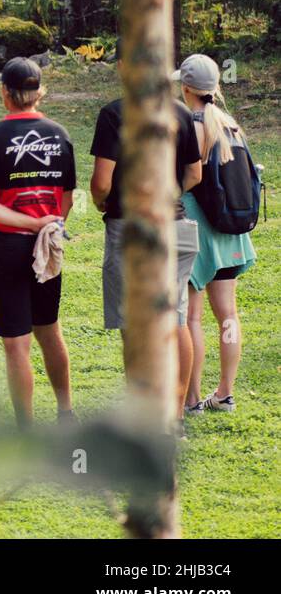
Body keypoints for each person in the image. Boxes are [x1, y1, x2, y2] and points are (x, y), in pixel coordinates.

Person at [89, 71, 201, 431]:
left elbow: (102, 182)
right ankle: (176, 416)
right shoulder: (182, 113)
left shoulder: (114, 113)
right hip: (178, 227)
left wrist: (103, 202)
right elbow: (195, 173)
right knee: (177, 319)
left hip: (131, 227)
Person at [0, 58, 76, 428]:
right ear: (39, 92)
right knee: (50, 330)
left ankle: (26, 429)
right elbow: (66, 199)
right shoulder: (59, 133)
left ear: (5, 93)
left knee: (17, 343)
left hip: (6, 248)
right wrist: (45, 224)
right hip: (47, 248)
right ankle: (66, 413)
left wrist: (25, 222)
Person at [175, 55, 256, 416]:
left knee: (191, 317)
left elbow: (189, 178)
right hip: (230, 230)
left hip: (196, 227)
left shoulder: (189, 125)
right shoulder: (231, 123)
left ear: (186, 87)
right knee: (227, 315)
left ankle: (191, 400)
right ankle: (225, 393)